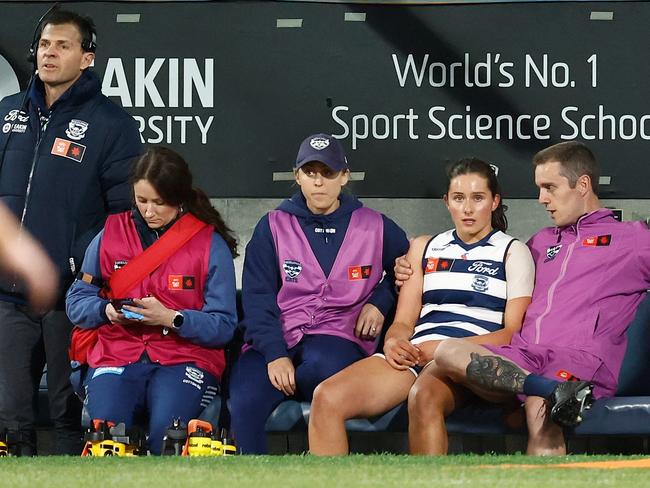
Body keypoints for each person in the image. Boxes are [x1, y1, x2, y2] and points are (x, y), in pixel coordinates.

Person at [393, 141, 650, 455]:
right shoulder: (540, 243)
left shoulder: (634, 238)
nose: (542, 199)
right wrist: (405, 268)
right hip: (525, 359)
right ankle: (549, 391)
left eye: (550, 188)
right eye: (540, 188)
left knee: (538, 409)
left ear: (582, 185)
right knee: (447, 351)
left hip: (579, 359)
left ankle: (550, 397)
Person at [309, 158, 535, 455]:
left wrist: (443, 349)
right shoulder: (424, 247)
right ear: (446, 202)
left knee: (424, 396)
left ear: (494, 202)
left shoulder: (513, 251)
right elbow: (403, 321)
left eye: (477, 198)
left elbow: (511, 334)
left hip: (468, 362)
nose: (467, 209)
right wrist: (393, 341)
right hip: (414, 355)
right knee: (326, 397)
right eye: (458, 198)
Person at [0, 8, 142, 455]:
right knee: (10, 419)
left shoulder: (112, 125)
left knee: (68, 415)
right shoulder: (7, 114)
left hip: (71, 296)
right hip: (7, 296)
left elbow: (125, 215)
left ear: (87, 58)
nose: (49, 53)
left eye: (63, 45)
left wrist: (86, 269)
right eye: (44, 44)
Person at [229, 133, 409, 454]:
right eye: (310, 173)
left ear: (344, 176)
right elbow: (258, 300)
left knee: (322, 372)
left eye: (327, 173)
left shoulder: (374, 226)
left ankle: (318, 472)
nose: (319, 182)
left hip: (337, 340)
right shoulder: (272, 225)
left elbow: (410, 268)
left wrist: (381, 301)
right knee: (244, 401)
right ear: (297, 176)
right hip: (276, 341)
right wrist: (274, 354)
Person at [65, 146, 237, 455]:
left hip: (184, 357)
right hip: (117, 352)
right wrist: (105, 311)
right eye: (142, 201)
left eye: (159, 203)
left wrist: (172, 318)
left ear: (179, 198)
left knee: (168, 435)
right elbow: (76, 300)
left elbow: (225, 325)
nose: (149, 211)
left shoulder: (209, 242)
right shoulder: (110, 233)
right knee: (107, 436)